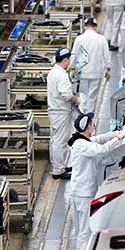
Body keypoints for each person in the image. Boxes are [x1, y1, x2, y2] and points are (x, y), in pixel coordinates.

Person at [68, 112, 125, 250]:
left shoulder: (80, 140)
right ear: (88, 126)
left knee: (81, 231)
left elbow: (98, 139)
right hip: (83, 193)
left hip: (79, 191)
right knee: (84, 232)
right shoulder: (82, 145)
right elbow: (100, 150)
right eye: (92, 123)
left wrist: (114, 134)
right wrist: (118, 139)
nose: (93, 125)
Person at [47, 47, 80, 179]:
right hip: (60, 112)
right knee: (60, 141)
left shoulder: (53, 72)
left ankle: (62, 164)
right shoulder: (61, 75)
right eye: (69, 60)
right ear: (65, 59)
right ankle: (58, 170)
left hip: (56, 111)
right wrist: (76, 100)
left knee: (58, 140)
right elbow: (66, 95)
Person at [70, 17, 111, 114]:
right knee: (92, 96)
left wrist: (71, 67)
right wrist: (108, 68)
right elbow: (106, 55)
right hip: (96, 72)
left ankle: (81, 115)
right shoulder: (101, 39)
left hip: (82, 72)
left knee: (83, 95)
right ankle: (89, 116)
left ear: (85, 27)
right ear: (95, 27)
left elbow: (74, 54)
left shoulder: (79, 39)